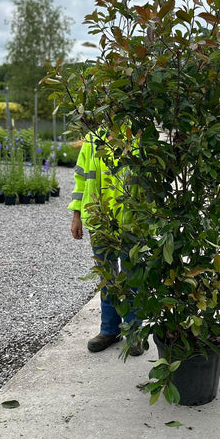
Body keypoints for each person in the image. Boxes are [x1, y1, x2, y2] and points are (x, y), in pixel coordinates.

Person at [69, 131, 143, 355]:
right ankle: (109, 330)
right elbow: (81, 178)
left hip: (131, 221)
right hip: (100, 220)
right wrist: (76, 215)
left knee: (132, 277)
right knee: (107, 277)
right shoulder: (92, 138)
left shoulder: (138, 133)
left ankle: (134, 332)